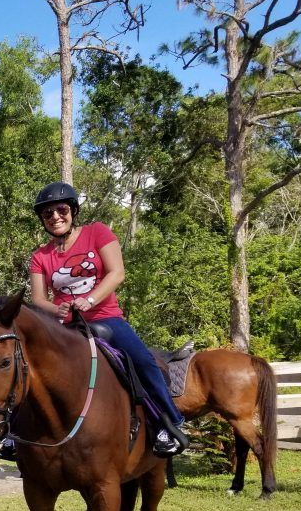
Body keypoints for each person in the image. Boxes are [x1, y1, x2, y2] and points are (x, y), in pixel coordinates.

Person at [27, 182, 188, 457]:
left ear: (73, 211)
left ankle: (169, 422)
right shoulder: (40, 256)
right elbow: (39, 300)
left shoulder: (97, 232)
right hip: (64, 327)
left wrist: (88, 300)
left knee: (143, 361)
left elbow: (117, 273)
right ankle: (16, 435)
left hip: (105, 318)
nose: (55, 217)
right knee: (25, 365)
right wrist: (60, 310)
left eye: (61, 210)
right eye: (48, 214)